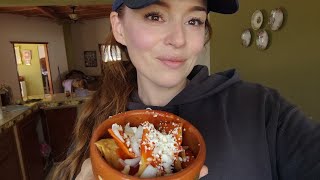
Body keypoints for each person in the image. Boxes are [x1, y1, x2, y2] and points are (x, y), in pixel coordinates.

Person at [53, 0, 320, 179]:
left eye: (194, 20)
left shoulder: (262, 110)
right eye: (155, 16)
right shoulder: (96, 125)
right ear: (119, 27)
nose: (179, 40)